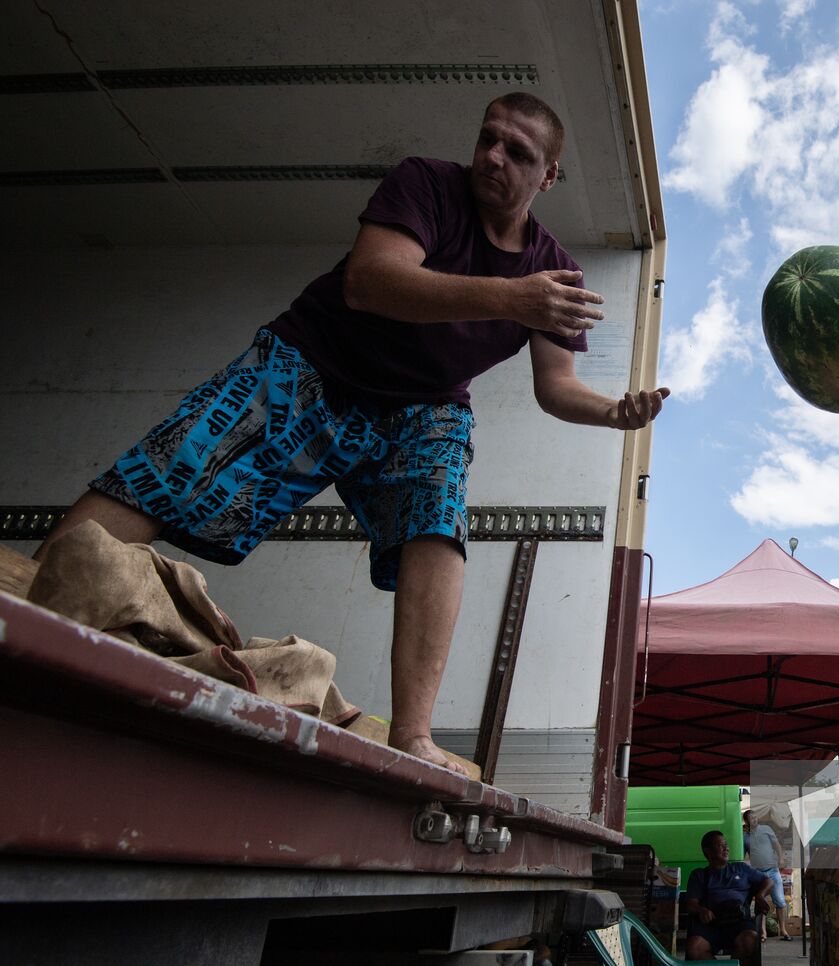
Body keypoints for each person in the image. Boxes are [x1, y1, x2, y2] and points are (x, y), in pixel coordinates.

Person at [35, 92, 668, 775]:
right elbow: (372, 282)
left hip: (420, 406)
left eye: (518, 152)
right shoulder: (426, 183)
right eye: (488, 138)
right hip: (315, 360)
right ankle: (32, 591)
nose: (493, 157)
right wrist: (511, 297)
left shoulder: (552, 271)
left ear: (547, 176)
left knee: (439, 518)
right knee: (176, 465)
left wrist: (611, 413)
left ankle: (414, 735)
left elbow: (556, 387)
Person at [685, 830, 772, 966]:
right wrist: (701, 910)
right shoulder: (699, 875)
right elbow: (690, 903)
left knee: (750, 940)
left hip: (739, 922)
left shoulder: (741, 869)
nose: (726, 848)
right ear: (708, 851)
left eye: (726, 845)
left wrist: (760, 895)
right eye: (720, 845)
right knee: (694, 947)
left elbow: (768, 881)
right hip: (711, 924)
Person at [743, 809, 792, 941]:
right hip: (758, 873)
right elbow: (742, 856)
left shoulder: (766, 829)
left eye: (755, 817)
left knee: (780, 901)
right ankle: (762, 932)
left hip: (773, 870)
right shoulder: (745, 837)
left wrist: (781, 858)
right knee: (761, 902)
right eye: (751, 818)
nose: (755, 819)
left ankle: (783, 930)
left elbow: (776, 845)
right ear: (746, 821)